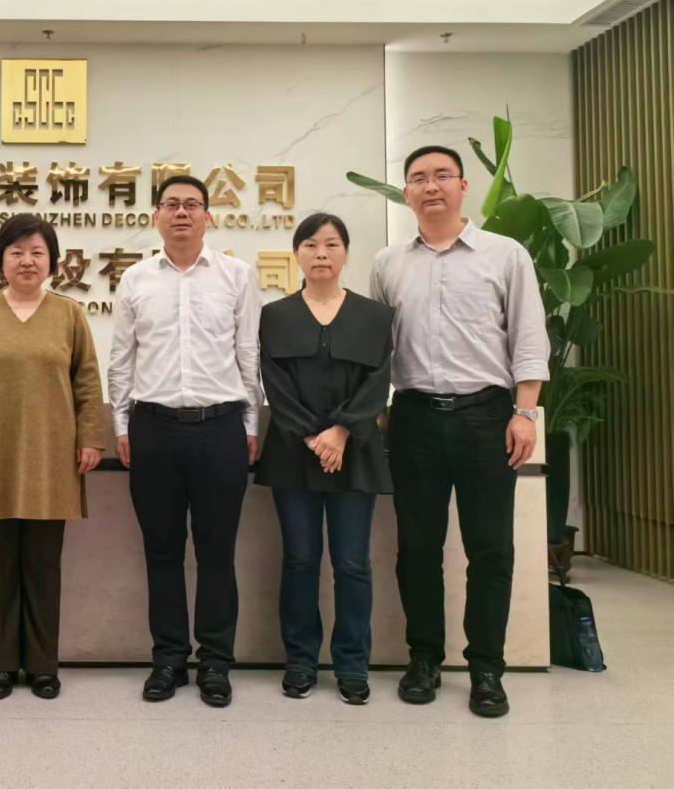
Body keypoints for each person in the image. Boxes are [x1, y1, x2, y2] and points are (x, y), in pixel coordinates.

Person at [371, 145, 549, 718]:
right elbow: (378, 349)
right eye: (419, 178)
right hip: (414, 417)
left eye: (442, 175)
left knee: (490, 549)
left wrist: (525, 413)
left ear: (463, 186)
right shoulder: (388, 264)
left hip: (486, 418)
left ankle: (486, 668)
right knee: (417, 549)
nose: (431, 186)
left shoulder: (505, 255)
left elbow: (528, 336)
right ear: (406, 192)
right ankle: (424, 659)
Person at [107, 174, 262, 708]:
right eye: (171, 204)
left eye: (192, 205)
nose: (181, 213)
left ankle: (216, 661)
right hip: (154, 428)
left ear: (208, 216)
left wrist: (250, 425)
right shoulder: (135, 279)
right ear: (155, 215)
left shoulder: (236, 275)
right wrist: (122, 426)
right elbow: (121, 358)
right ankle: (169, 659)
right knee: (162, 550)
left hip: (221, 427)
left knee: (218, 551)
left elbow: (248, 353)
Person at [0, 213, 104, 701]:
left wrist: (91, 437)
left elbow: (87, 380)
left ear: (52, 261)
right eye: (16, 252)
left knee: (42, 565)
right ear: (1, 261)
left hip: (52, 456)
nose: (27, 261)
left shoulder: (69, 314)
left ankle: (41, 665)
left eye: (37, 252)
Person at [255, 213, 394, 706]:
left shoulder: (374, 316)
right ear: (297, 253)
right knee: (300, 559)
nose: (321, 253)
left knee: (353, 563)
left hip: (355, 453)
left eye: (332, 244)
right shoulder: (275, 316)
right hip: (295, 454)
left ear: (345, 253)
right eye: (311, 244)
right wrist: (315, 436)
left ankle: (353, 665)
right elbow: (274, 383)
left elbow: (379, 382)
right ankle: (300, 661)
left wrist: (341, 431)